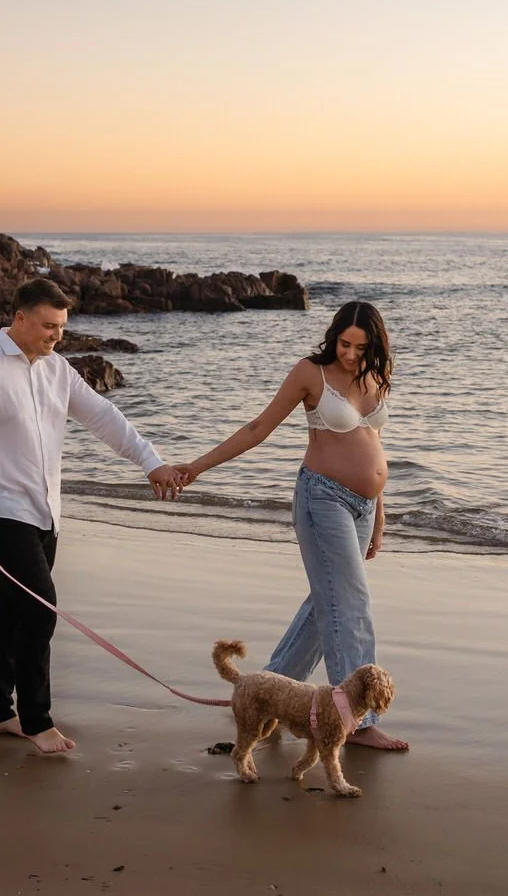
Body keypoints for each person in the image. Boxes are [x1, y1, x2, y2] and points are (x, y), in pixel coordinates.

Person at [0, 277, 185, 754]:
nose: (57, 336)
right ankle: (37, 720)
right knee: (38, 610)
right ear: (20, 319)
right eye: (49, 326)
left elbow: (103, 417)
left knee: (11, 612)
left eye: (62, 328)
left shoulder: (57, 369)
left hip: (46, 513)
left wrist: (150, 461)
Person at [176, 300, 408, 750]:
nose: (351, 355)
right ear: (333, 336)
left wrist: (379, 514)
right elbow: (258, 428)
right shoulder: (310, 373)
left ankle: (266, 695)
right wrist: (198, 466)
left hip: (362, 506)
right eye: (344, 344)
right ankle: (357, 722)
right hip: (323, 499)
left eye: (361, 347)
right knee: (351, 602)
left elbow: (375, 444)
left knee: (328, 606)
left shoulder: (375, 377)